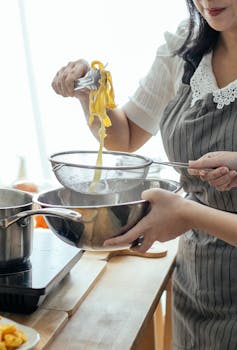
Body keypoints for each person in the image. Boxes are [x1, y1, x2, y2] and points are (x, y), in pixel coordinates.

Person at [51, 1, 237, 349]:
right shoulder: (187, 43)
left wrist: (186, 213)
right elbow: (125, 136)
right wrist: (89, 93)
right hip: (199, 287)